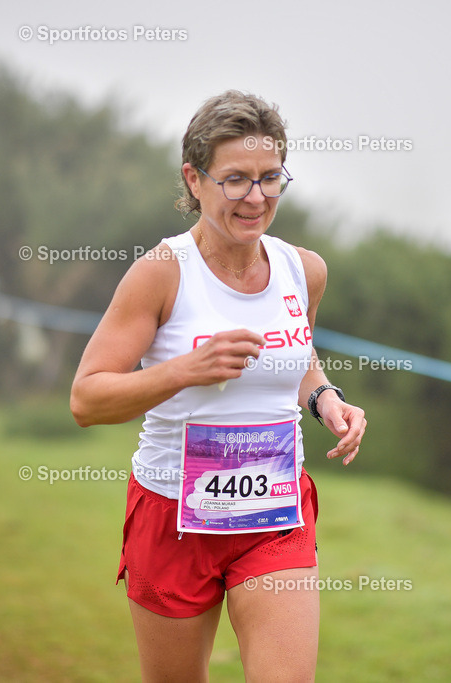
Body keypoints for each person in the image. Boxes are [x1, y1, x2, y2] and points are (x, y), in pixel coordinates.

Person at [71, 90, 367, 682]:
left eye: (269, 178)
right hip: (174, 515)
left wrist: (325, 398)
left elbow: (296, 357)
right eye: (235, 180)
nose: (256, 197)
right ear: (194, 179)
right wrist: (185, 369)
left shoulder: (304, 269)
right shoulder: (161, 273)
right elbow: (87, 398)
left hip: (275, 512)